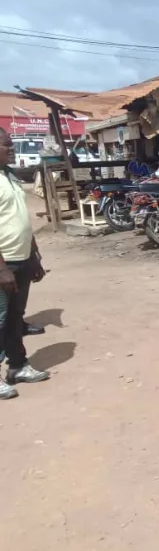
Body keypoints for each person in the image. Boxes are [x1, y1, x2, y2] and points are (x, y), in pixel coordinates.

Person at [0, 127, 51, 400]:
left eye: (11, 144)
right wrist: (2, 269)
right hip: (3, 264)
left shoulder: (10, 176)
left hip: (21, 260)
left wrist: (34, 256)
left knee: (14, 319)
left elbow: (21, 220)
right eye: (6, 145)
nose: (12, 149)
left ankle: (17, 366)